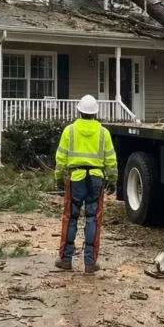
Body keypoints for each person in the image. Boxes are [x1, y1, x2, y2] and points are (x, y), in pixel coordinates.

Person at [54, 95, 118, 274]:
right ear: (95, 113)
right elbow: (111, 160)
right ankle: (90, 263)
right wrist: (113, 180)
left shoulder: (70, 130)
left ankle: (65, 260)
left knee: (70, 218)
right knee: (93, 219)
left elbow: (61, 158)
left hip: (75, 179)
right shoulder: (103, 132)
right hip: (96, 180)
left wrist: (59, 177)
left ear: (79, 110)